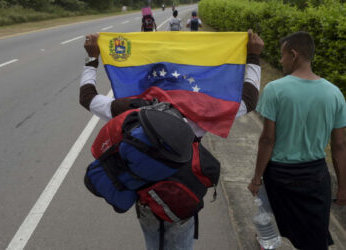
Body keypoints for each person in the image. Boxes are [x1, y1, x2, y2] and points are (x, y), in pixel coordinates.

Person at [81, 30, 264, 250]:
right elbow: (248, 100)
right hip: (180, 197)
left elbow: (87, 97)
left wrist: (92, 58)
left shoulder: (132, 107)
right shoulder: (199, 107)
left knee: (153, 243)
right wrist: (253, 56)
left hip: (146, 198)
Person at [248, 31, 346, 250]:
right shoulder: (334, 94)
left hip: (279, 177)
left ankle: (266, 242)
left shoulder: (275, 89)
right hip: (315, 178)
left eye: (282, 56)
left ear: (294, 54)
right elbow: (340, 146)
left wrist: (256, 178)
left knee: (267, 220)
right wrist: (343, 187)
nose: (281, 61)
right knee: (313, 238)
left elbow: (267, 141)